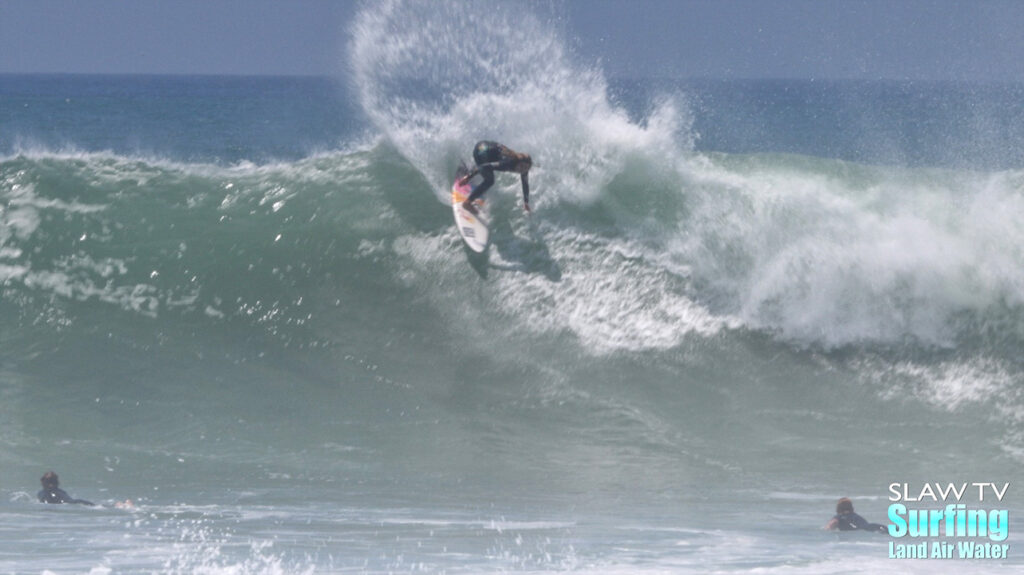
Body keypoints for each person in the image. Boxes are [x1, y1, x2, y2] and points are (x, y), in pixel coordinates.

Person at [458, 140, 532, 215]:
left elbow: (525, 183)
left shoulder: (523, 168)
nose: (522, 170)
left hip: (483, 146)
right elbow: (485, 166)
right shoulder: (508, 163)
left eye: (526, 168)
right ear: (518, 162)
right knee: (490, 181)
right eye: (521, 166)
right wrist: (469, 176)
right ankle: (467, 203)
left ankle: (466, 171)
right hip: (481, 151)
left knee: (486, 169)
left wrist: (526, 202)